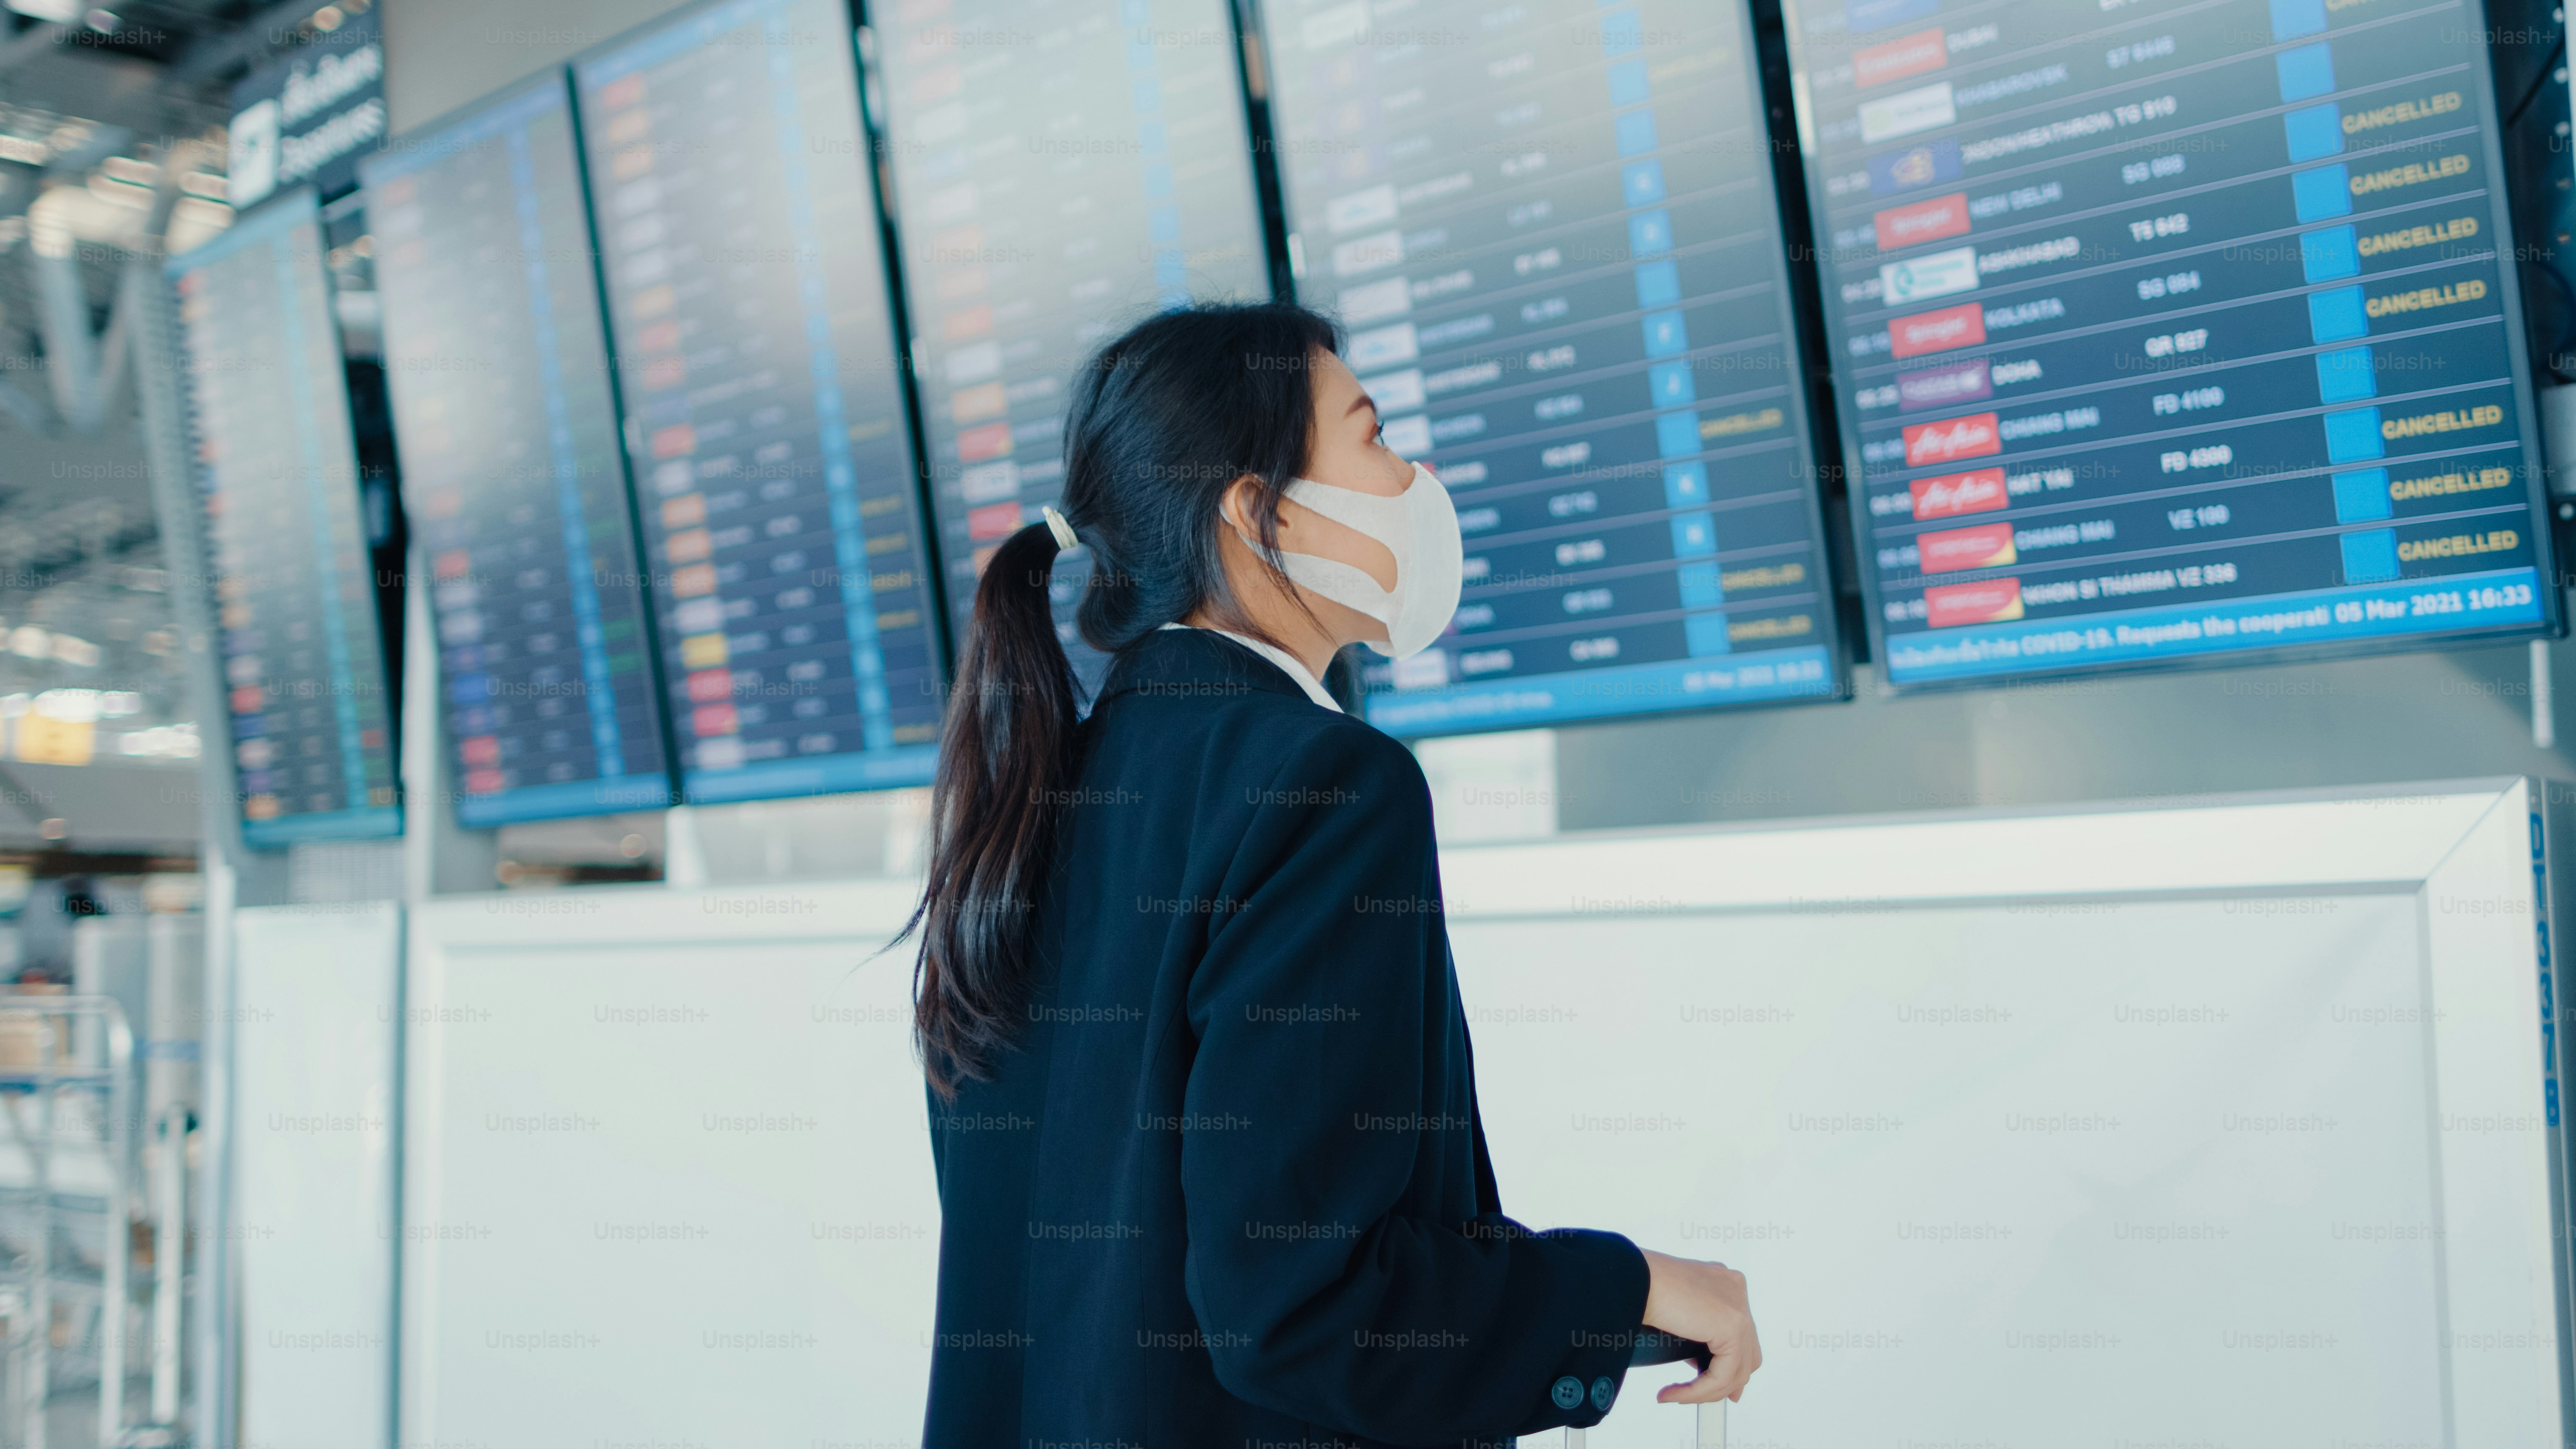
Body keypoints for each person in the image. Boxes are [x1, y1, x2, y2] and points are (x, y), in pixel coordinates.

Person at [904, 301, 1760, 1448]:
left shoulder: (1035, 793)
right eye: (1375, 437)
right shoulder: (1323, 786)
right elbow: (1310, 1312)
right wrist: (1627, 1290)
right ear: (1259, 513)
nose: (1418, 478)